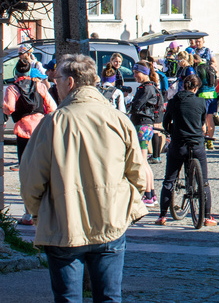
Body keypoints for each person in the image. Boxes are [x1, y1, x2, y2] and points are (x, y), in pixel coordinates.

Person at [20, 54, 147, 303]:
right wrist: (124, 208)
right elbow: (139, 176)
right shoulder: (118, 120)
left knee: (68, 299)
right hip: (110, 222)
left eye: (56, 80)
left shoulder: (54, 122)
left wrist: (39, 214)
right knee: (110, 297)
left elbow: (31, 180)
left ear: (69, 82)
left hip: (64, 225)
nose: (54, 85)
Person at [156, 74, 217, 226]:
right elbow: (201, 122)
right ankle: (207, 216)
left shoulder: (174, 101)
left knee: (169, 180)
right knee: (204, 182)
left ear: (183, 86)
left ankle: (162, 215)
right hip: (196, 143)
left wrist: (171, 130)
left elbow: (166, 122)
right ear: (196, 88)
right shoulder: (201, 102)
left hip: (178, 143)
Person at [4, 60, 58, 224]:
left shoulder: (13, 89)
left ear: (16, 73)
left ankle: (28, 214)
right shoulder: (40, 86)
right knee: (44, 169)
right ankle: (46, 210)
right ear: (29, 72)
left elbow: (8, 108)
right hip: (41, 131)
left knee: (26, 171)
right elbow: (52, 107)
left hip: (23, 132)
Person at [129, 61, 162, 206]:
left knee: (142, 161)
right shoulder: (150, 87)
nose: (135, 75)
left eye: (137, 73)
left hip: (142, 125)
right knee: (145, 162)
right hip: (146, 126)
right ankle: (152, 194)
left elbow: (137, 105)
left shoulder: (146, 88)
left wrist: (130, 106)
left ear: (144, 73)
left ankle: (148, 194)